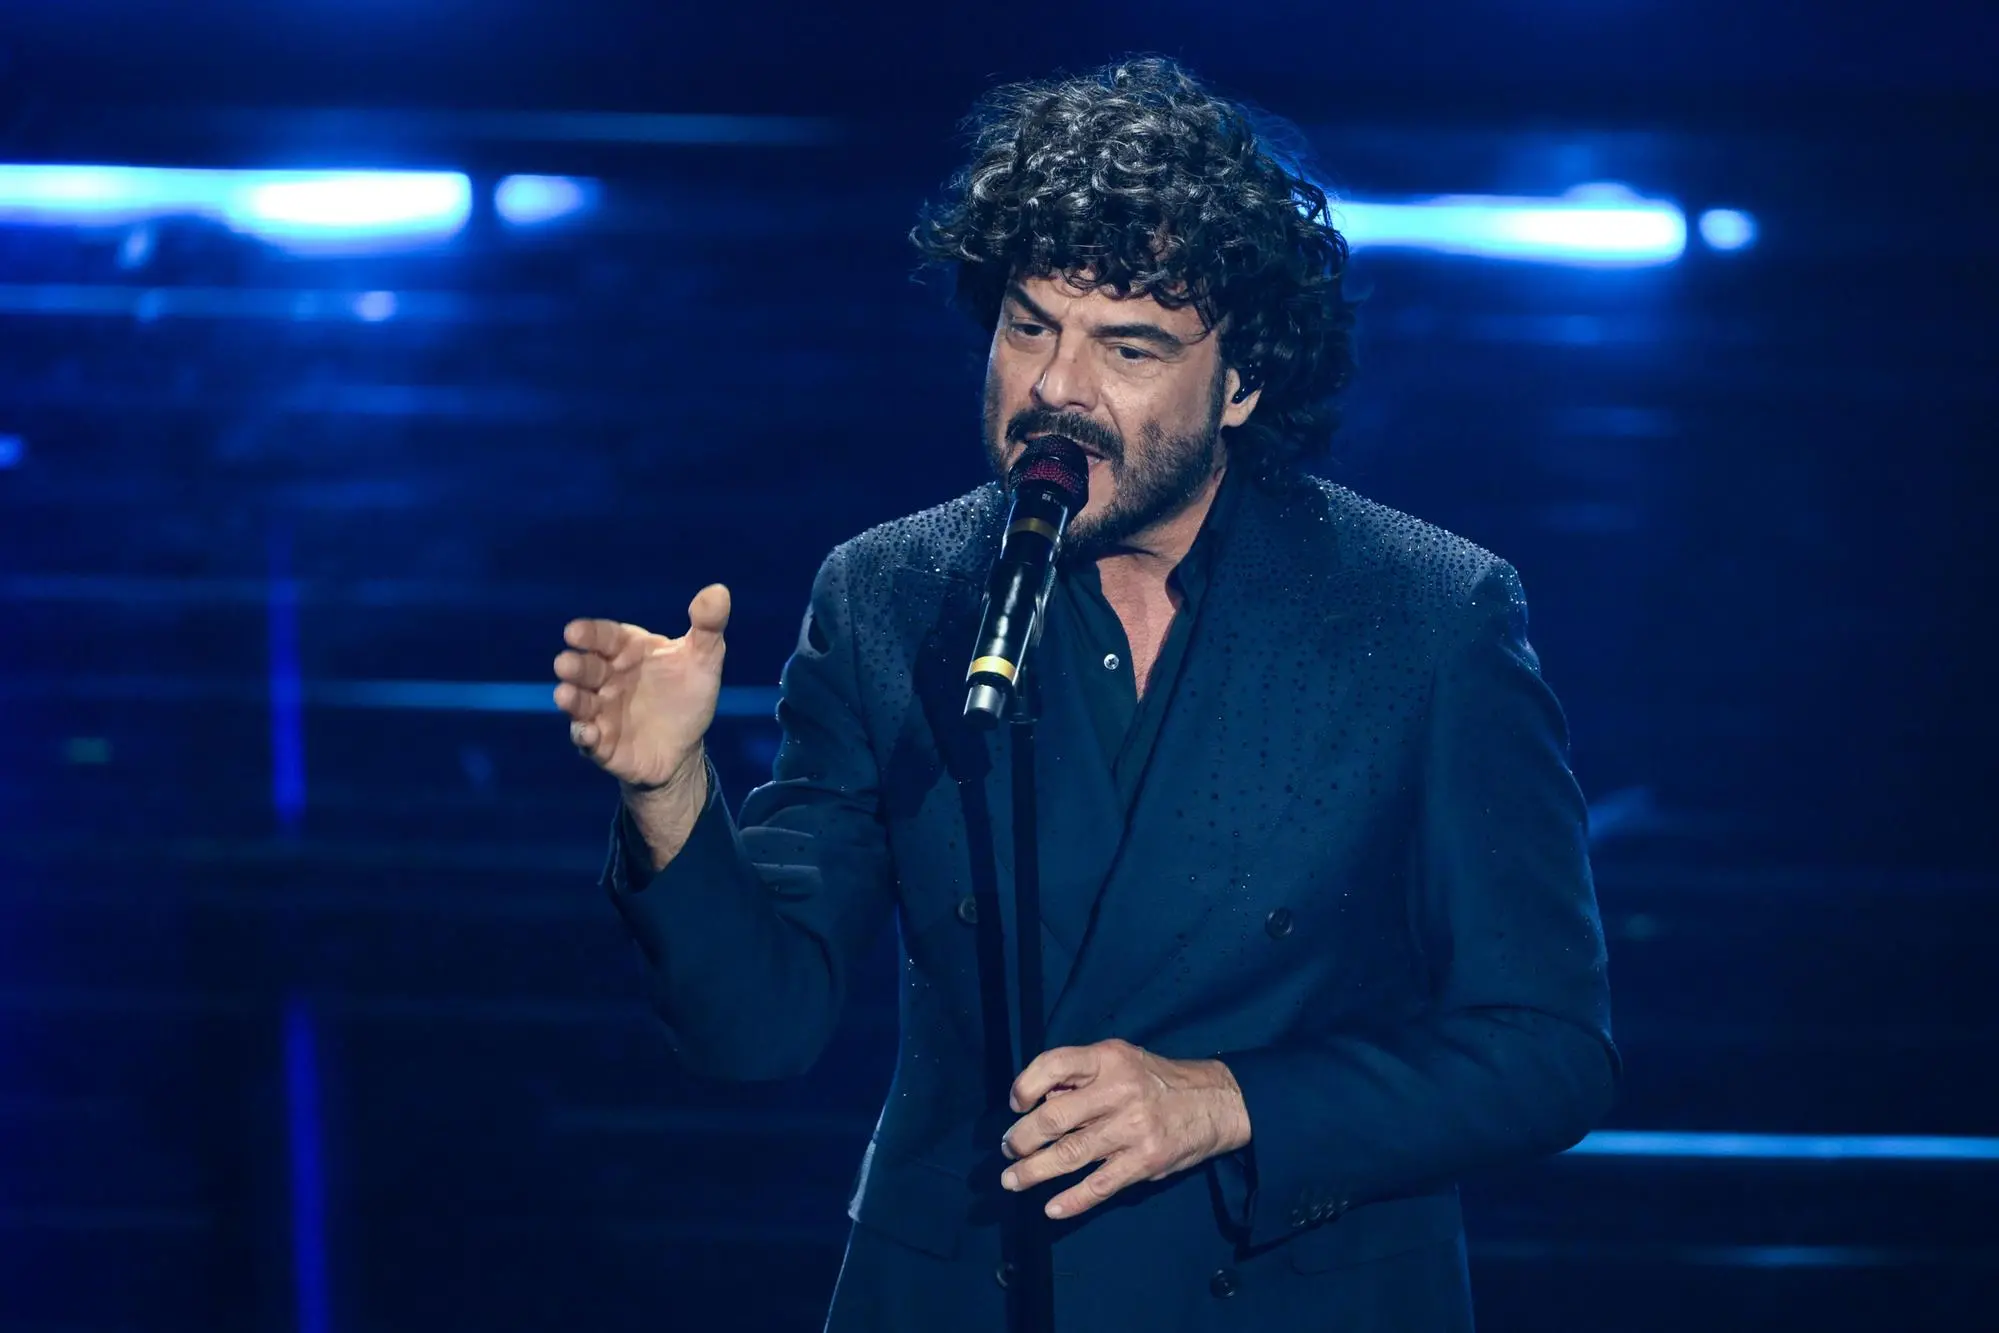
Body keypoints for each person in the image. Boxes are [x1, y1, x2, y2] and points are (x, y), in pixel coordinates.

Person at [553, 56, 1617, 1333]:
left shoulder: (1429, 612)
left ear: (1242, 383)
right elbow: (758, 1026)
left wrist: (1225, 1100)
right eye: (1027, 325)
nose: (1058, 387)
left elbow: (1543, 1050)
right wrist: (672, 792)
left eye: (1128, 346)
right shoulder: (893, 594)